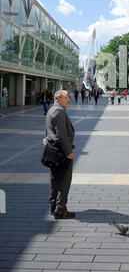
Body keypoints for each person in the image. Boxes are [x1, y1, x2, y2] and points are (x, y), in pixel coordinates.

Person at [45, 90, 75, 219]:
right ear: (58, 99)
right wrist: (69, 152)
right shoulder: (59, 111)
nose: (68, 100)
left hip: (53, 150)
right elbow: (62, 134)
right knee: (64, 181)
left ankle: (53, 206)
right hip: (61, 152)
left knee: (55, 179)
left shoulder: (51, 110)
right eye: (66, 98)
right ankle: (60, 209)